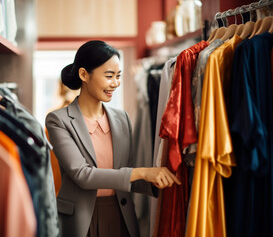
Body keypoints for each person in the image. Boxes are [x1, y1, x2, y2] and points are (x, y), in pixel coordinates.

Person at [45, 40, 181, 237]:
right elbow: (82, 174)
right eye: (109, 76)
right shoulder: (58, 120)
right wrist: (142, 172)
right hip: (82, 220)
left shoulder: (122, 119)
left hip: (121, 215)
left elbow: (125, 178)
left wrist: (159, 181)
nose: (115, 83)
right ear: (84, 74)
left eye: (118, 76)